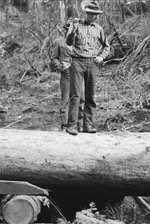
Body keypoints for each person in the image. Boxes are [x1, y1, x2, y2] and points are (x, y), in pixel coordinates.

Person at [64, 0, 110, 135]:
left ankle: (88, 125)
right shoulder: (77, 25)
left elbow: (106, 46)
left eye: (97, 14)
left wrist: (101, 57)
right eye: (93, 14)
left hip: (92, 64)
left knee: (91, 95)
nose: (95, 17)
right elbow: (68, 42)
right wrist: (72, 29)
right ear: (87, 13)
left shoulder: (98, 29)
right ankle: (72, 125)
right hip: (77, 62)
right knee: (76, 95)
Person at [51, 17, 84, 131]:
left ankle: (79, 125)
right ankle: (64, 125)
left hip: (79, 73)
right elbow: (54, 58)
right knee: (66, 98)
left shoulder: (81, 41)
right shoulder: (59, 41)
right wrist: (61, 66)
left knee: (81, 97)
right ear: (65, 30)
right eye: (68, 29)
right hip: (67, 73)